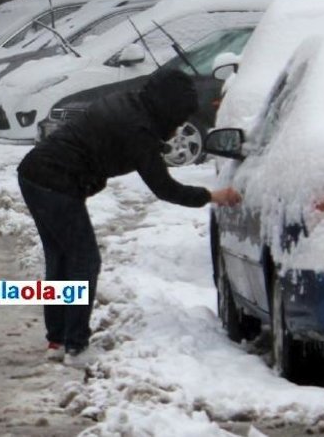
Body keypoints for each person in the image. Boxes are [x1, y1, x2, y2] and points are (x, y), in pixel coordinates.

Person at [17, 68, 241, 367]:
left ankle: (59, 339)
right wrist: (213, 196)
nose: (177, 130)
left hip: (36, 174)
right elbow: (165, 189)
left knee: (62, 259)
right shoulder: (139, 129)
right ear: (168, 109)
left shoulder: (132, 104)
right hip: (55, 182)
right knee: (83, 261)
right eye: (177, 121)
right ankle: (75, 346)